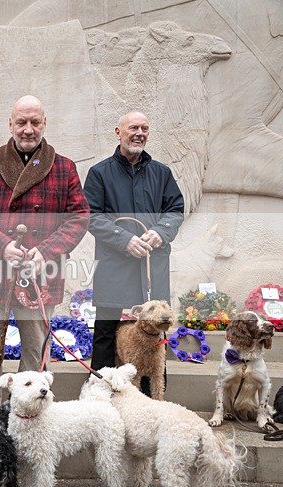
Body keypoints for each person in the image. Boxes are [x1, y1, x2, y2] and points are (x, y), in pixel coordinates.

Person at [0, 95, 89, 418]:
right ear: (10, 124)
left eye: (34, 122)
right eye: (21, 122)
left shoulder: (64, 168)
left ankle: (27, 415)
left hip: (40, 277)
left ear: (45, 124)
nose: (28, 129)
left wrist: (46, 252)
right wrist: (2, 246)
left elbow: (79, 218)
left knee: (35, 346)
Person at [84, 111, 184, 375]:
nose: (140, 133)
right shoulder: (99, 173)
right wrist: (124, 239)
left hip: (151, 264)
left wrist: (161, 232)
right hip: (114, 264)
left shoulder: (162, 173)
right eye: (133, 128)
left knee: (155, 331)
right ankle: (101, 389)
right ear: (118, 132)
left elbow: (175, 210)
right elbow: (90, 216)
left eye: (145, 129)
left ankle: (152, 392)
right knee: (106, 331)